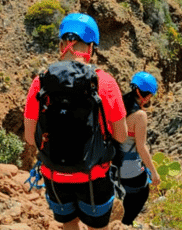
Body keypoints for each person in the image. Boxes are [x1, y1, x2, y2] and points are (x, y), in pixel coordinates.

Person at [23, 13, 128, 230]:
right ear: (90, 47)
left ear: (61, 44)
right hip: (94, 176)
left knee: (68, 225)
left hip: (54, 175)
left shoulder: (40, 82)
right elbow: (121, 135)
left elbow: (29, 138)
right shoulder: (105, 83)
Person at [116, 71, 162, 226]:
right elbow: (141, 148)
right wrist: (154, 173)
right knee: (142, 193)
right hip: (129, 168)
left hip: (112, 163)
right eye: (149, 95)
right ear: (143, 94)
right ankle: (125, 223)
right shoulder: (140, 116)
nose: (149, 98)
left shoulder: (120, 103)